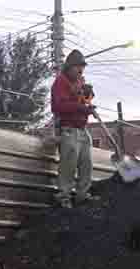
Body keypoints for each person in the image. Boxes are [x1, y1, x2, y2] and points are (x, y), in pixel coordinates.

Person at [51, 49, 95, 209]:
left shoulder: (80, 82)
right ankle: (64, 196)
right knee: (68, 164)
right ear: (69, 67)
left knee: (86, 164)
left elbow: (84, 100)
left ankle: (82, 194)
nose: (81, 70)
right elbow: (58, 106)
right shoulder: (61, 82)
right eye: (78, 67)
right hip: (69, 129)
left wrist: (89, 95)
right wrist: (81, 108)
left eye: (82, 67)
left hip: (82, 129)